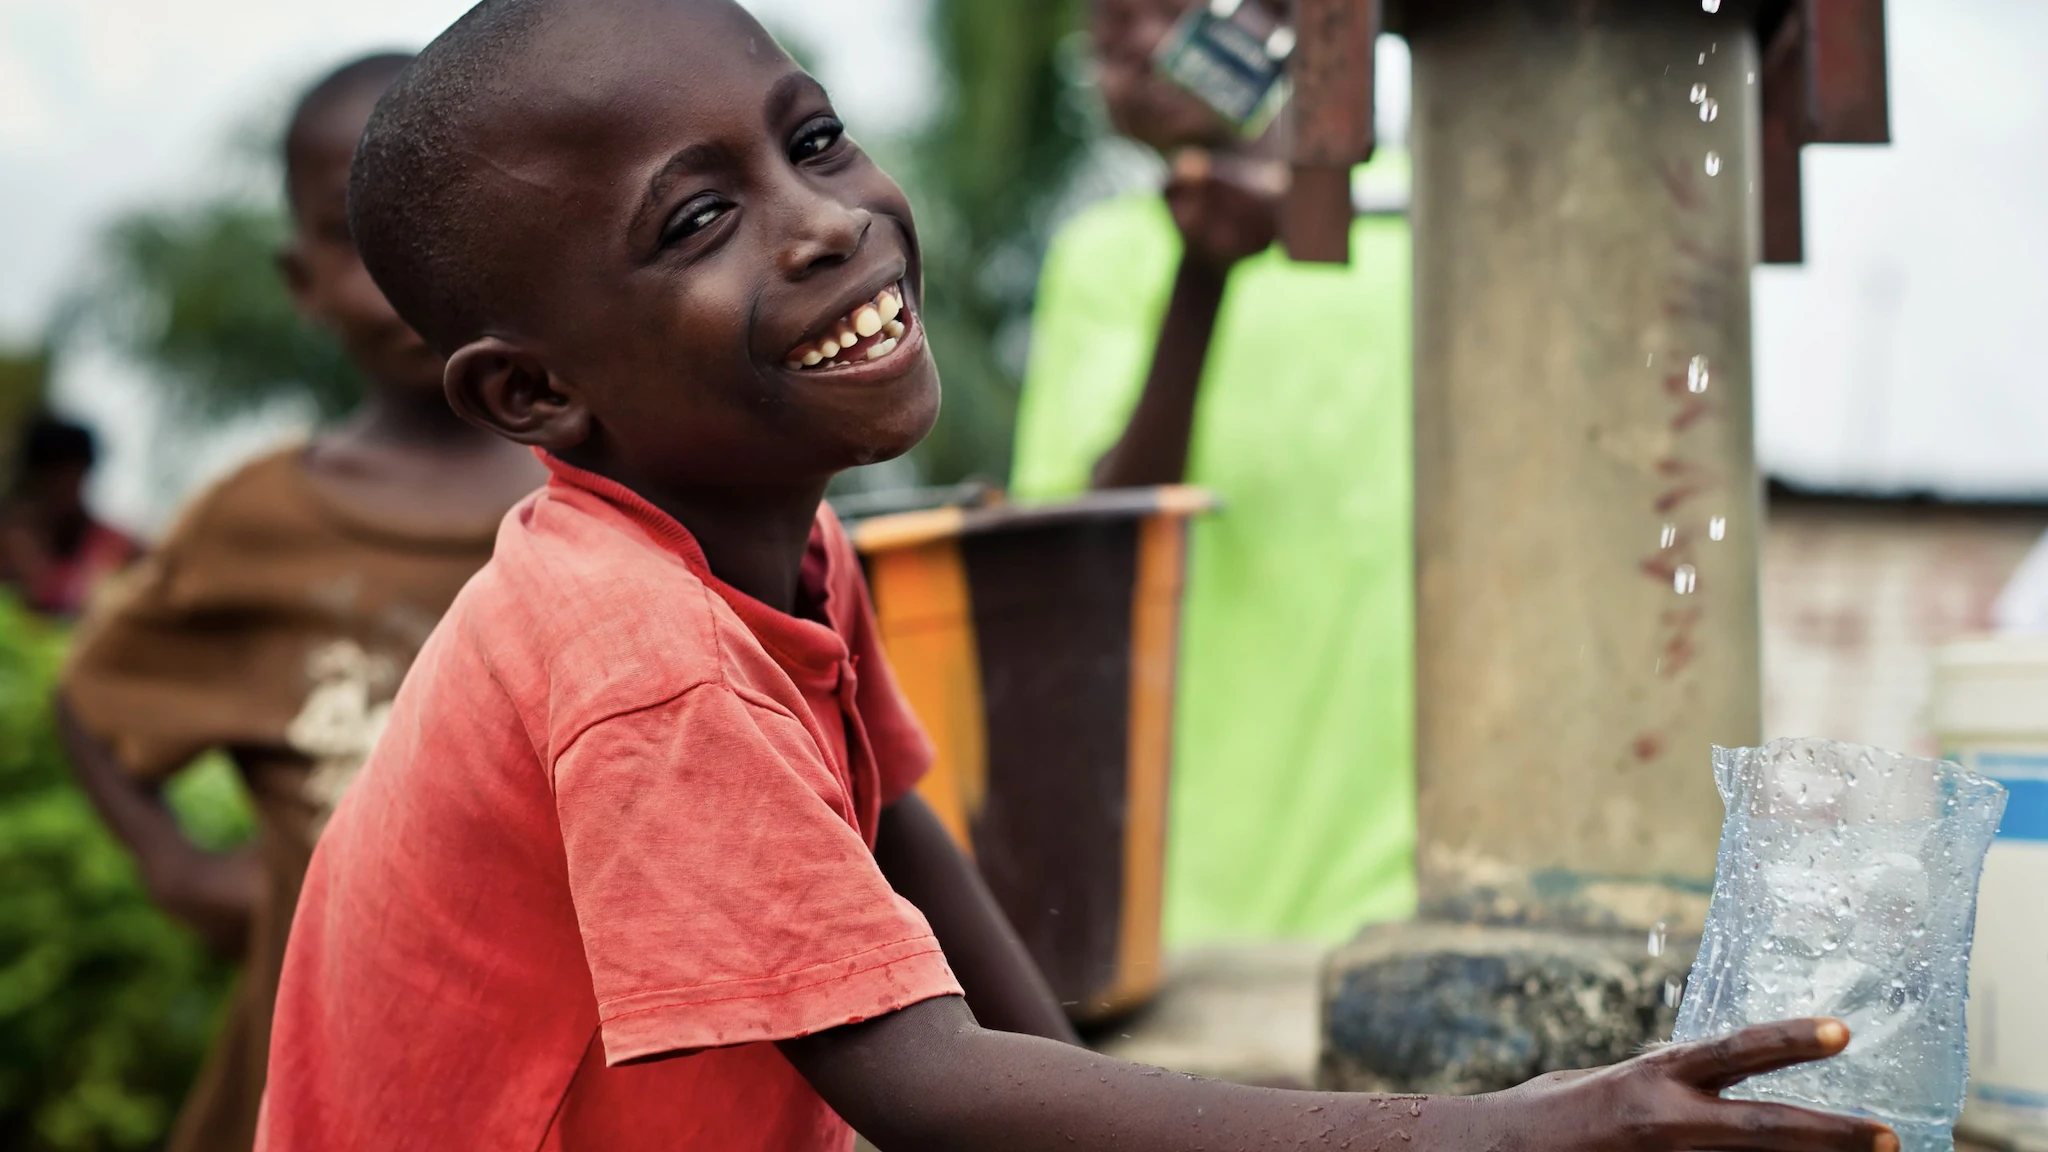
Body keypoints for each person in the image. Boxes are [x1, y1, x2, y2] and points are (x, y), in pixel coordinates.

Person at [255, 4, 1898, 1151]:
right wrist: (1503, 1135)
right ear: (532, 393)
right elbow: (924, 1083)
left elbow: (913, 857)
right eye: (695, 222)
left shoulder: (776, 553)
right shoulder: (638, 649)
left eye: (810, 139)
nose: (824, 221)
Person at [55, 53, 543, 1152]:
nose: (416, 272)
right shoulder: (257, 521)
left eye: (453, 218)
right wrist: (177, 867)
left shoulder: (619, 488)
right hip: (314, 1099)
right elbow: (91, 697)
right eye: (361, 238)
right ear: (302, 279)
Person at [1010, 0, 1416, 946]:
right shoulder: (1103, 258)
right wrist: (1203, 278)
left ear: (1276, 19)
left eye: (1164, 11)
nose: (1136, 50)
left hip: (1403, 876)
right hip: (1183, 892)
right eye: (1107, 37)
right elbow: (1082, 561)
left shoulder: (1420, 223)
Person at [0, 415, 139, 617]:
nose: (68, 486)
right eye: (59, 475)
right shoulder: (10, 537)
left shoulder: (113, 546)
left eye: (77, 474)